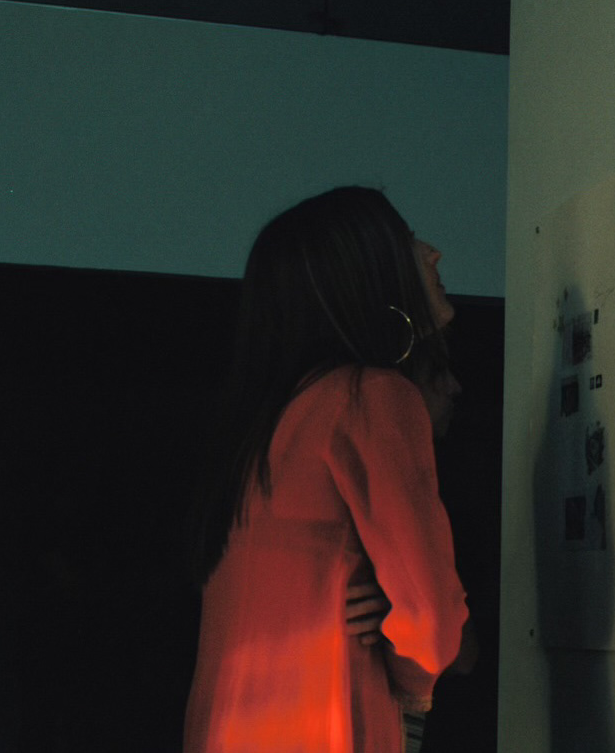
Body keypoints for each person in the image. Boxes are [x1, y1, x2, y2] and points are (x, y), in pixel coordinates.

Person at [185, 186, 469, 753]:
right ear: (362, 272)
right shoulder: (371, 398)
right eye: (407, 241)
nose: (432, 253)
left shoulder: (266, 423)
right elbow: (430, 620)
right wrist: (411, 683)